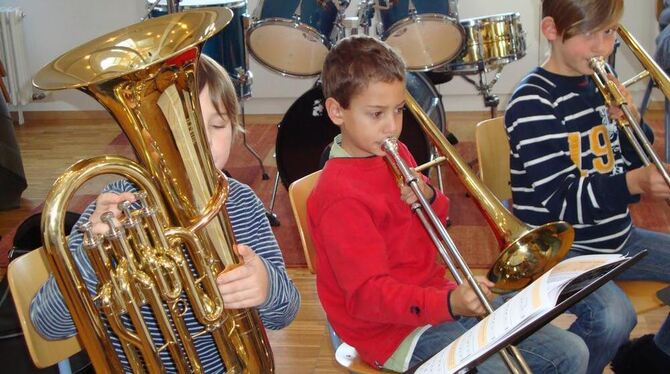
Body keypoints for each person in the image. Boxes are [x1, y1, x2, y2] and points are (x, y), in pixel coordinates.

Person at [307, 34, 589, 373]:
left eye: (398, 111)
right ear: (337, 111)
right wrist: (449, 303)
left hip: (433, 296)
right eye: (376, 114)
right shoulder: (340, 197)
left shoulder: (391, 153)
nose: (392, 127)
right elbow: (369, 296)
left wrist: (426, 196)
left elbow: (437, 218)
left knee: (572, 353)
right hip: (389, 332)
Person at [29, 54, 301, 373]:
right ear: (144, 137)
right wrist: (90, 257)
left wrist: (266, 285)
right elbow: (48, 325)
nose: (200, 142)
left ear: (236, 129)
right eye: (179, 128)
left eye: (217, 124)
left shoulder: (243, 205)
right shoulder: (115, 212)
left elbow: (285, 312)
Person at [504, 1, 670, 373]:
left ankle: (654, 359)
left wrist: (632, 121)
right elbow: (564, 199)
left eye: (609, 32)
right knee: (613, 318)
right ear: (551, 30)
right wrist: (635, 184)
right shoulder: (533, 101)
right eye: (589, 34)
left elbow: (630, 160)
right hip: (561, 248)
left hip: (615, 237)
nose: (601, 46)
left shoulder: (601, 80)